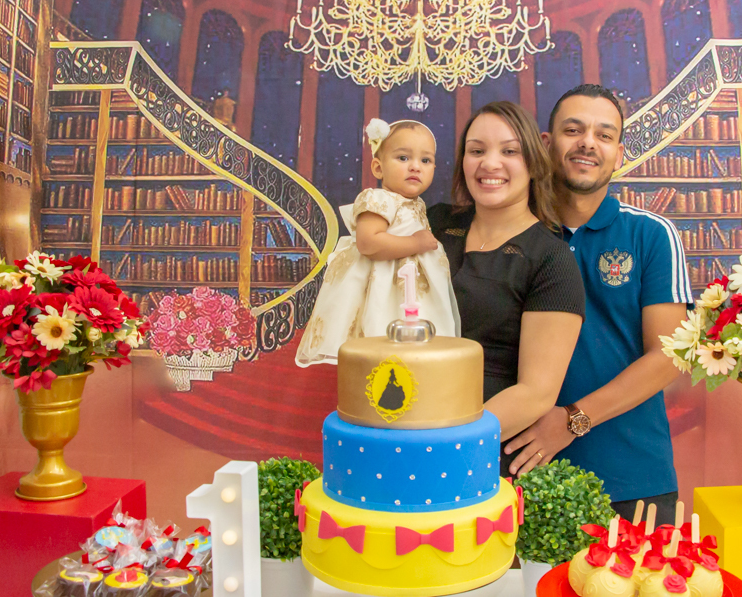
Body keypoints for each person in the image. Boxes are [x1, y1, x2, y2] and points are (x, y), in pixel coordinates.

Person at [504, 84, 691, 526]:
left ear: (619, 153)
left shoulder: (651, 235)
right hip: (519, 471)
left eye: (604, 135)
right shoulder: (508, 232)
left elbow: (669, 356)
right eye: (573, 130)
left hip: (631, 477)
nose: (588, 142)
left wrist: (571, 421)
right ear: (547, 145)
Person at [428, 101, 585, 472]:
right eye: (476, 150)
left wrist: (440, 445)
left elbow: (536, 393)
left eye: (509, 151)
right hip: (402, 421)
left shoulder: (552, 259)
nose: (490, 164)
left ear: (533, 162)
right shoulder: (434, 223)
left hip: (479, 453)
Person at [295, 119, 460, 367]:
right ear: (378, 168)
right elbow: (368, 243)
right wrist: (416, 242)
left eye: (425, 160)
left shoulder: (418, 205)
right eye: (403, 158)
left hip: (412, 290)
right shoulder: (377, 198)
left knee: (419, 353)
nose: (415, 166)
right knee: (381, 342)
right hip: (385, 287)